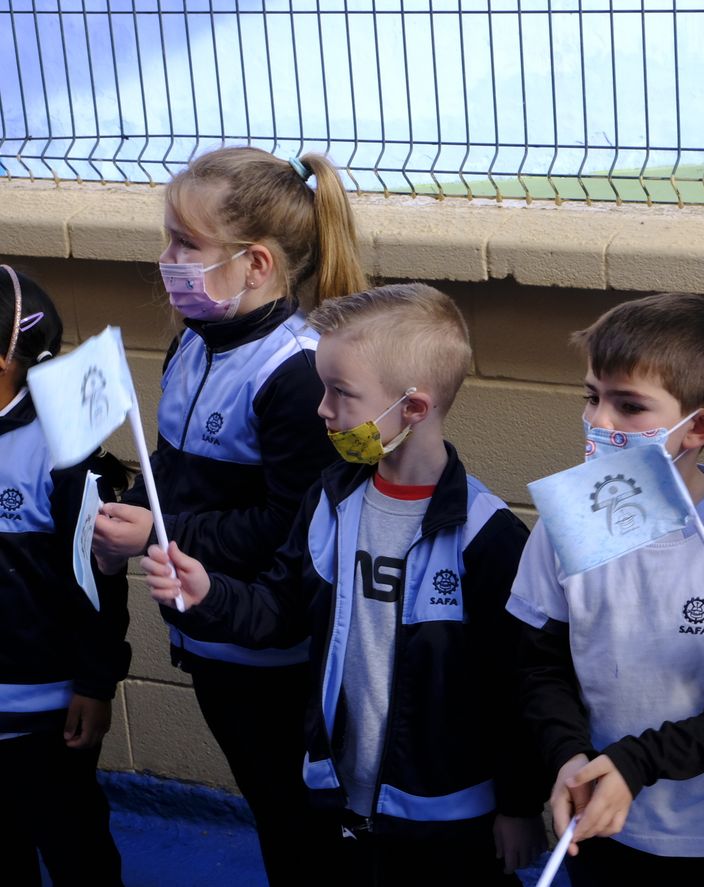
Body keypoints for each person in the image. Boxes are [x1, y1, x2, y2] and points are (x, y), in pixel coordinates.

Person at [142, 282, 542, 885]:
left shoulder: (488, 537)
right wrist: (207, 597)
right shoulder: (329, 500)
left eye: (341, 393)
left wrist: (516, 805)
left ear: (412, 408)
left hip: (452, 817)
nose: (322, 409)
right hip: (345, 802)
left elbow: (517, 687)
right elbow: (280, 609)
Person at [91, 146, 367, 884]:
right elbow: (173, 474)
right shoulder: (189, 344)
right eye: (168, 238)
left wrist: (162, 532)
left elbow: (291, 528)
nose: (166, 258)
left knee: (300, 821)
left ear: (257, 265)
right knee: (273, 812)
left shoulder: (295, 372)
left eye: (186, 243)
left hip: (272, 655)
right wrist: (131, 513)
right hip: (209, 636)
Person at [511, 292, 704, 886]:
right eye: (592, 396)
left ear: (700, 428)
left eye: (630, 405)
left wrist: (636, 763)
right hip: (595, 824)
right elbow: (538, 667)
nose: (598, 421)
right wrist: (570, 757)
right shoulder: (572, 521)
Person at [0, 265, 131, 887]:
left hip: (47, 713)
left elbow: (100, 582)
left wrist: (96, 682)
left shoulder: (63, 455)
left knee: (75, 848)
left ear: (3, 359)